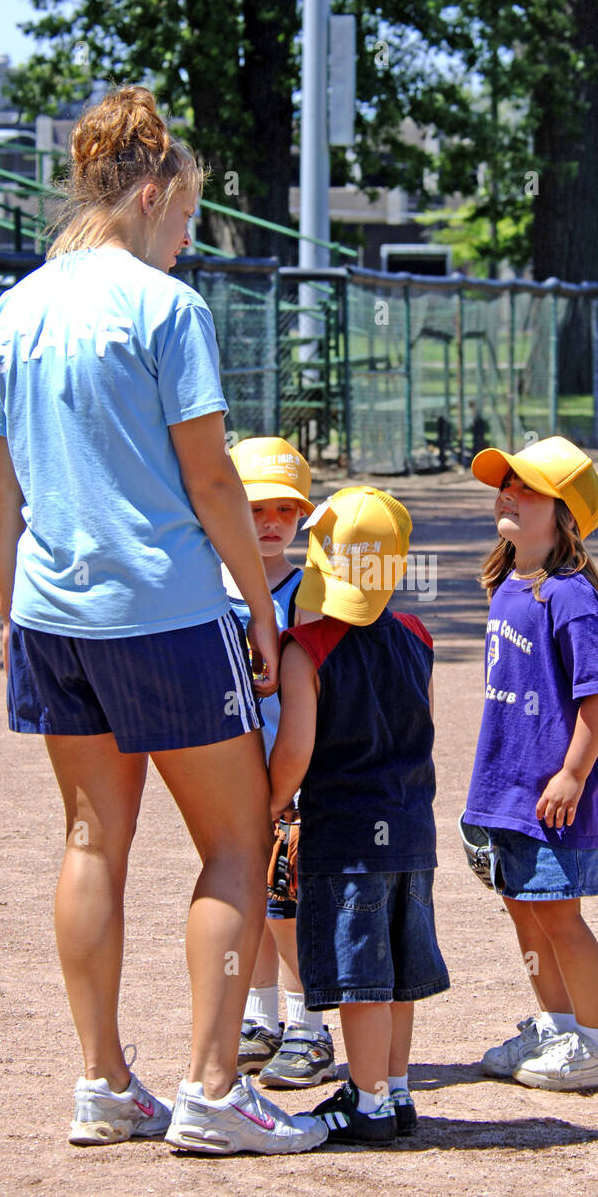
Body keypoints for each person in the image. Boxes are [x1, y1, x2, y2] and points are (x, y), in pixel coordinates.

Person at [0, 85, 326, 1156]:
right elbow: (214, 483)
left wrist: (13, 613)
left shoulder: (16, 306)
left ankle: (103, 1084)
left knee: (91, 841)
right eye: (188, 217)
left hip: (52, 618)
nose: (188, 237)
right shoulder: (165, 307)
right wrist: (261, 611)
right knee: (236, 836)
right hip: (161, 613)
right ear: (156, 191)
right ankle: (214, 1086)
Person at [269, 487, 450, 1143]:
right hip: (411, 830)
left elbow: (294, 750)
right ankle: (395, 1090)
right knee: (397, 974)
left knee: (360, 980)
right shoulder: (416, 636)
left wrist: (269, 802)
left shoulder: (306, 647)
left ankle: (368, 1103)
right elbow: (423, 722)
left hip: (345, 839)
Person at [462, 436, 598, 1089]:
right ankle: (557, 1026)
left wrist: (573, 774)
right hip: (507, 787)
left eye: (529, 488)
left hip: (554, 791)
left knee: (559, 913)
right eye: (508, 484)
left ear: (565, 516)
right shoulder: (508, 584)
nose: (510, 494)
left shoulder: (570, 594)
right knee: (522, 906)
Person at [222, 435, 338, 1087]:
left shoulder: (307, 591)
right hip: (227, 775)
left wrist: (292, 779)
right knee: (249, 902)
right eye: (255, 508)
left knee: (287, 906)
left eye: (285, 512)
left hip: (289, 778)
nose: (270, 525)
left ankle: (310, 1029)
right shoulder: (208, 588)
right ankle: (261, 1020)